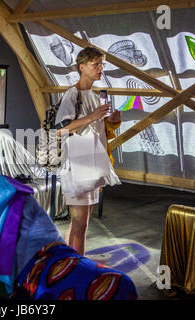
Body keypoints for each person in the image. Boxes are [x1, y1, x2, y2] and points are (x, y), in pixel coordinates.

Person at [55, 47, 121, 256]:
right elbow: (61, 129)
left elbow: (98, 132)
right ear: (82, 67)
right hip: (77, 166)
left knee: (81, 222)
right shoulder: (72, 95)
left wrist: (111, 123)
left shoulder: (93, 96)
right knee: (79, 223)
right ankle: (76, 268)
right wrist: (93, 116)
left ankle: (69, 263)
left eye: (102, 64)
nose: (100, 68)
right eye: (96, 64)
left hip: (91, 165)